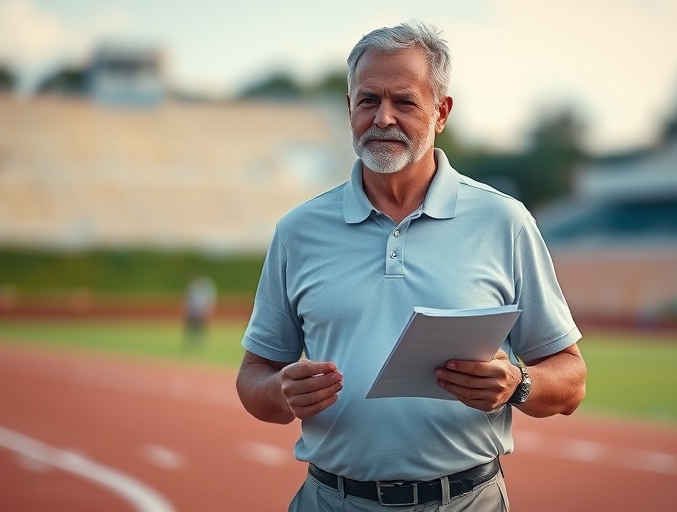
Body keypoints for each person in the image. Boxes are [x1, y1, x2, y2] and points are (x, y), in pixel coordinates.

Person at [236, 21, 586, 511]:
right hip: (330, 500)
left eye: (404, 102)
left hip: (466, 501)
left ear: (441, 112)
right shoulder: (298, 231)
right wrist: (278, 391)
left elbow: (571, 378)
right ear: (349, 108)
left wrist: (517, 384)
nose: (383, 118)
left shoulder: (502, 221)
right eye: (368, 101)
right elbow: (254, 378)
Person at [184, 274, 216, 347]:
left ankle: (197, 343)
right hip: (194, 312)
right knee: (191, 329)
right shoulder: (193, 288)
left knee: (200, 329)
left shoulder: (202, 288)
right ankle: (191, 343)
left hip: (199, 312)